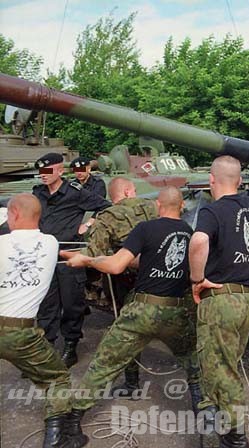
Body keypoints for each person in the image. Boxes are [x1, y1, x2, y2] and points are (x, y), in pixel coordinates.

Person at [63, 187, 208, 424]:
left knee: (105, 363)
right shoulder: (188, 231)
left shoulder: (145, 228)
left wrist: (87, 259)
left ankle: (71, 422)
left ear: (158, 206)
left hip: (142, 311)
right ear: (182, 206)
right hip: (178, 312)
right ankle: (206, 421)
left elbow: (116, 267)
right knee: (194, 364)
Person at [189, 155, 249, 448]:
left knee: (218, 369)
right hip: (246, 298)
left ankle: (235, 440)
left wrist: (197, 279)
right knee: (225, 364)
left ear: (212, 180)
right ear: (239, 180)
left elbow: (198, 242)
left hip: (220, 297)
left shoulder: (212, 210)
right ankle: (216, 431)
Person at [0, 194, 88, 448]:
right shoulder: (50, 244)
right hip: (20, 332)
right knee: (57, 378)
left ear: (13, 214)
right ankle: (55, 441)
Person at [77, 176, 158, 397]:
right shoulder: (153, 207)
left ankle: (132, 384)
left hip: (126, 280)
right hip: (159, 277)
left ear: (113, 196)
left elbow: (96, 254)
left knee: (126, 331)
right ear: (130, 191)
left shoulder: (107, 217)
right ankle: (200, 395)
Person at [32, 152, 111, 367]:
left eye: (48, 171)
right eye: (41, 171)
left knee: (71, 303)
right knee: (46, 304)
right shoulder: (37, 193)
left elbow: (105, 206)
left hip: (69, 255)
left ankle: (70, 345)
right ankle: (47, 347)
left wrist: (89, 224)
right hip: (45, 255)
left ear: (59, 171)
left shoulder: (75, 192)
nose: (43, 175)